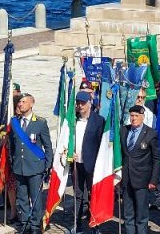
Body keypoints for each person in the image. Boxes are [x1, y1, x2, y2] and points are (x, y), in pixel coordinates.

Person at [0, 93, 53, 234]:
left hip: (35, 167)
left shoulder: (40, 122)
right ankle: (25, 223)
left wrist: (48, 165)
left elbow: (47, 146)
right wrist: (12, 161)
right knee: (22, 197)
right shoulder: (14, 122)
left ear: (31, 104)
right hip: (19, 167)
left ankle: (36, 225)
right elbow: (12, 144)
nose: (20, 104)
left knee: (35, 198)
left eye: (23, 101)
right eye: (19, 102)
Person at [121, 104, 160, 234]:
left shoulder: (151, 133)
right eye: (132, 116)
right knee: (128, 214)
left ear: (143, 117)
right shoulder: (123, 131)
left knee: (141, 215)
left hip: (143, 180)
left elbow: (156, 159)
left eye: (137, 116)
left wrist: (153, 180)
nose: (134, 118)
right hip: (126, 179)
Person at [72, 91, 106, 233]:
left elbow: (101, 144)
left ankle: (94, 225)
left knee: (94, 195)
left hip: (92, 164)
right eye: (78, 103)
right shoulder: (73, 120)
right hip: (76, 164)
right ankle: (77, 224)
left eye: (83, 103)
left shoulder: (98, 121)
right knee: (78, 195)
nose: (80, 106)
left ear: (89, 104)